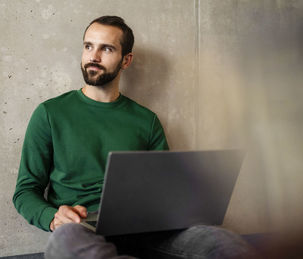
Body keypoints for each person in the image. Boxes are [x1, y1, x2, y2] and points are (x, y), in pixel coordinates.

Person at [13, 16, 255, 259]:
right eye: (88, 46)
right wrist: (53, 217)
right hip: (83, 229)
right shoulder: (50, 113)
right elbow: (25, 190)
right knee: (66, 241)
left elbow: (166, 189)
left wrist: (189, 203)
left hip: (150, 230)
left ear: (126, 60)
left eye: (106, 48)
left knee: (224, 242)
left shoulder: (146, 121)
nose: (93, 56)